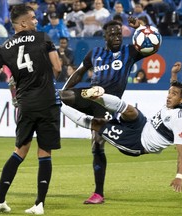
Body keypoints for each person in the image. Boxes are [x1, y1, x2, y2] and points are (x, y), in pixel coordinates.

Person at [0, 4, 62, 215]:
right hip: (47, 102)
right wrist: (47, 79)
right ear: (22, 23)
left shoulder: (3, 47)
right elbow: (57, 67)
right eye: (32, 18)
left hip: (25, 104)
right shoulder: (43, 38)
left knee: (19, 150)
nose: (36, 21)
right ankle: (39, 204)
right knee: (44, 152)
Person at [60, 17, 159, 204]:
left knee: (97, 144)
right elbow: (79, 73)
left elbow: (154, 44)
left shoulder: (130, 52)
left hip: (107, 104)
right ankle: (34, 104)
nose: (116, 37)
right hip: (90, 95)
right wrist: (65, 89)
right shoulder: (94, 53)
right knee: (58, 96)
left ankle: (98, 193)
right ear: (104, 36)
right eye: (112, 34)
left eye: (119, 34)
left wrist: (141, 27)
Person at [60, 62, 182, 194]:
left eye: (173, 94)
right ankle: (98, 96)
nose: (169, 96)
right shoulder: (172, 104)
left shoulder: (179, 120)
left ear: (181, 100)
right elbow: (175, 88)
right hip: (143, 125)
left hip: (137, 143)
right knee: (130, 110)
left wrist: (179, 177)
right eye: (169, 93)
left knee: (97, 124)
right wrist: (174, 74)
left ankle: (58, 104)